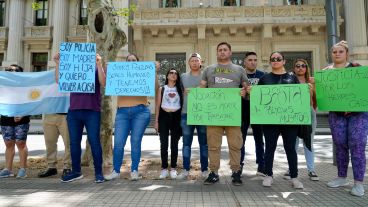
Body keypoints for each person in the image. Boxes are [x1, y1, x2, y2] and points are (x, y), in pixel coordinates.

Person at [200, 42, 248, 186]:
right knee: (213, 146)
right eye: (220, 50)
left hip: (233, 115)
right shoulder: (208, 70)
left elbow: (248, 89)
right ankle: (213, 172)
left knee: (235, 145)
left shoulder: (239, 70)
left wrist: (244, 92)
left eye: (225, 50)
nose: (222, 52)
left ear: (230, 52)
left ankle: (236, 172)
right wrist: (194, 92)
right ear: (217, 53)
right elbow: (202, 88)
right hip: (214, 115)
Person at [54, 52, 106, 183]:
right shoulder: (72, 68)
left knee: (94, 142)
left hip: (92, 111)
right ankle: (76, 171)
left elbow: (103, 82)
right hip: (74, 111)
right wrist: (58, 64)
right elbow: (59, 80)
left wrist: (99, 65)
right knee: (74, 143)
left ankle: (99, 173)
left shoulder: (96, 66)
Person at [325, 40, 368, 197]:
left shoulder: (357, 69)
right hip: (336, 114)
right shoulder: (326, 72)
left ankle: (358, 183)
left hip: (358, 114)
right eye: (334, 51)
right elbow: (324, 94)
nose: (337, 54)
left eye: (340, 51)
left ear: (347, 53)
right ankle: (341, 177)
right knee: (340, 144)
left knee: (357, 145)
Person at [259, 52, 304, 189]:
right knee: (270, 148)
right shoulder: (264, 79)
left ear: (284, 61)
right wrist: (251, 92)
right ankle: (268, 175)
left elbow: (299, 98)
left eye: (279, 59)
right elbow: (259, 99)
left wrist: (308, 90)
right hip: (270, 121)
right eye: (273, 59)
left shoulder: (292, 77)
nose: (275, 61)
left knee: (290, 148)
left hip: (289, 121)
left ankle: (294, 177)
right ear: (270, 61)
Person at [105, 53, 151, 181]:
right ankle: (116, 171)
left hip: (140, 111)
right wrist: (109, 70)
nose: (131, 62)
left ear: (138, 63)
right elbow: (106, 83)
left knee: (135, 142)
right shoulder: (120, 74)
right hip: (122, 112)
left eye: (134, 60)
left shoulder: (143, 73)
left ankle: (135, 170)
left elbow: (153, 86)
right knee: (119, 143)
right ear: (125, 63)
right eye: (128, 60)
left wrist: (154, 70)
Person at [285, 58, 319, 181]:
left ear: (306, 68)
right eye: (297, 66)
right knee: (293, 143)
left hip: (309, 113)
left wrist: (312, 110)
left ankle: (311, 170)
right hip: (293, 114)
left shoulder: (313, 82)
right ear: (294, 68)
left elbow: (316, 99)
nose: (300, 68)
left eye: (303, 66)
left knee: (308, 142)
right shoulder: (289, 81)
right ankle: (291, 169)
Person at [177, 53, 208, 180]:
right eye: (192, 61)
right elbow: (177, 91)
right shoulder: (183, 77)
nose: (195, 62)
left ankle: (205, 169)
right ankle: (185, 169)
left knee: (204, 144)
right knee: (186, 143)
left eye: (197, 60)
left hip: (203, 114)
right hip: (186, 113)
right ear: (188, 63)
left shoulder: (206, 76)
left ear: (200, 62)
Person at [0, 65, 30, 179]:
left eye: (14, 70)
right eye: (9, 70)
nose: (11, 72)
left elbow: (32, 102)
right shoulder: (3, 86)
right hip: (6, 118)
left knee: (20, 143)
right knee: (9, 143)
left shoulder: (25, 87)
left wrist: (22, 114)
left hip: (22, 118)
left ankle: (23, 169)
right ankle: (8, 169)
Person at [240, 51, 265, 177]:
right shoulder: (240, 74)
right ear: (245, 62)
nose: (253, 62)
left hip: (258, 112)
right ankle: (239, 165)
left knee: (259, 140)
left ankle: (261, 166)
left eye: (255, 60)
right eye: (250, 60)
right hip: (242, 112)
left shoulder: (262, 75)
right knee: (240, 140)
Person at [155, 68, 183, 179]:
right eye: (171, 73)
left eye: (176, 73)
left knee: (174, 144)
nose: (173, 74)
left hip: (176, 117)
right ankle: (164, 168)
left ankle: (173, 168)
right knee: (164, 143)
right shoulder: (162, 89)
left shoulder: (180, 89)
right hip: (164, 117)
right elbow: (157, 106)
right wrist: (156, 121)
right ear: (167, 76)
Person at [38, 113, 71, 178]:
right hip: (48, 113)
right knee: (49, 142)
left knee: (68, 142)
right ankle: (51, 166)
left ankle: (67, 167)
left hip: (65, 114)